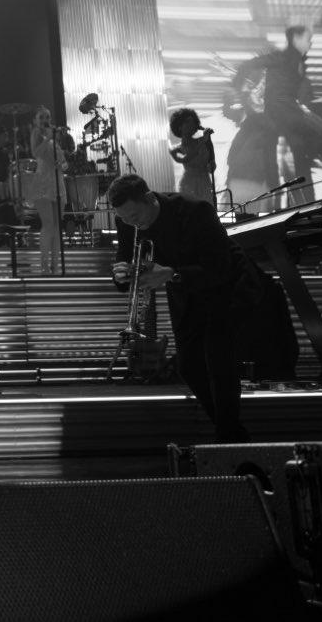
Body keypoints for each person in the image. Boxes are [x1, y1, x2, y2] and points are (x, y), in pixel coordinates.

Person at [109, 174, 263, 443]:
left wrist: (172, 274)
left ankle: (228, 437)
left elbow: (219, 268)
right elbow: (125, 265)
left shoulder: (195, 210)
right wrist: (122, 275)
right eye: (124, 218)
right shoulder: (126, 221)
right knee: (189, 366)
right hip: (184, 293)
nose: (132, 223)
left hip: (226, 289)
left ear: (149, 198)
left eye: (135, 215)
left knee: (219, 361)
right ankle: (232, 435)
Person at [230, 25, 318, 203]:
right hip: (280, 114)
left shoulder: (298, 61)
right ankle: (289, 196)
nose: (311, 43)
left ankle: (294, 196)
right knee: (284, 156)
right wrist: (237, 86)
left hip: (286, 114)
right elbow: (248, 65)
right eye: (308, 39)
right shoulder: (281, 57)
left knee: (291, 156)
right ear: (296, 38)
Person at [27, 107, 66, 275]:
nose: (45, 120)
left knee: (57, 226)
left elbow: (63, 160)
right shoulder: (36, 133)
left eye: (48, 117)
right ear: (35, 120)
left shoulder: (54, 137)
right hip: (42, 183)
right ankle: (44, 265)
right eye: (41, 117)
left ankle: (55, 265)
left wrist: (63, 164)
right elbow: (36, 153)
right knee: (48, 224)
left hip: (57, 182)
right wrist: (49, 137)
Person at [168, 108, 216, 204]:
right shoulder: (175, 149)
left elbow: (212, 165)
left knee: (206, 210)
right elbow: (186, 159)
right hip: (188, 185)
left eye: (193, 121)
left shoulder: (205, 141)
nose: (191, 124)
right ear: (179, 126)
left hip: (205, 183)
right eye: (187, 122)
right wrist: (203, 140)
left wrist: (211, 164)